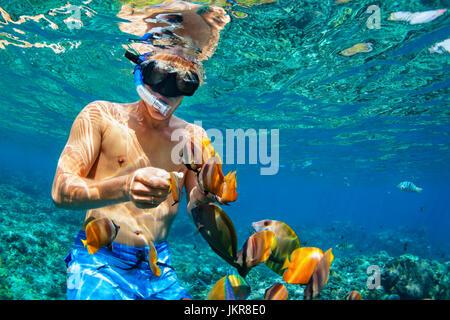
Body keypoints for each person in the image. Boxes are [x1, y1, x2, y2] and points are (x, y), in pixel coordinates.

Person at [52, 2, 230, 300]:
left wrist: (208, 193)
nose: (167, 93)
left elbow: (197, 203)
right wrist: (126, 186)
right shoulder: (100, 115)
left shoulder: (194, 136)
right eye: (157, 76)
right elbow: (61, 190)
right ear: (140, 72)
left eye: (183, 84)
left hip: (158, 264)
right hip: (98, 259)